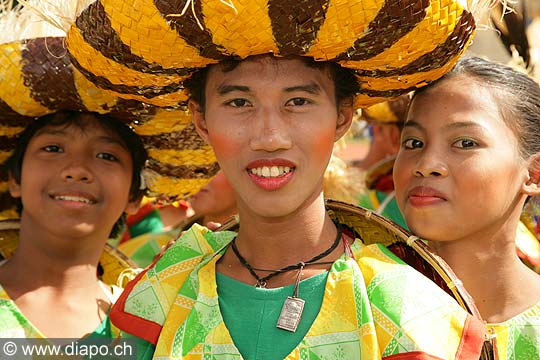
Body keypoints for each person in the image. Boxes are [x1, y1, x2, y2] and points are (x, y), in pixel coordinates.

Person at [63, 0, 495, 358]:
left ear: (343, 116)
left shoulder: (408, 312)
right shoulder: (158, 296)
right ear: (201, 119)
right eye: (238, 102)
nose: (269, 137)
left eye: (299, 101)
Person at [0, 2, 217, 339]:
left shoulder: (156, 325)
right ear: (15, 178)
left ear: (134, 196)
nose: (76, 170)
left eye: (106, 155)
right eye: (53, 148)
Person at [393, 56, 540, 358]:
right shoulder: (351, 298)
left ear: (534, 173)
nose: (426, 165)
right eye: (413, 143)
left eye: (465, 143)